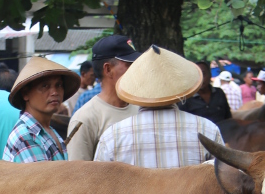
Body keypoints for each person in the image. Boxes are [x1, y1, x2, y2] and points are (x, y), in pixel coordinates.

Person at [94, 45, 225, 168]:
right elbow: (224, 179)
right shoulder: (207, 130)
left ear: (136, 88)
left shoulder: (113, 137)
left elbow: (99, 182)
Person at [66, 35, 141, 161]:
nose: (136, 71)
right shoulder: (85, 119)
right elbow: (78, 172)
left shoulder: (142, 109)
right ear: (108, 69)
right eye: (129, 65)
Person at [3, 57, 80, 163]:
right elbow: (45, 175)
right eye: (45, 86)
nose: (54, 92)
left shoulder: (47, 131)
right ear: (25, 94)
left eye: (59, 85)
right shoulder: (26, 137)